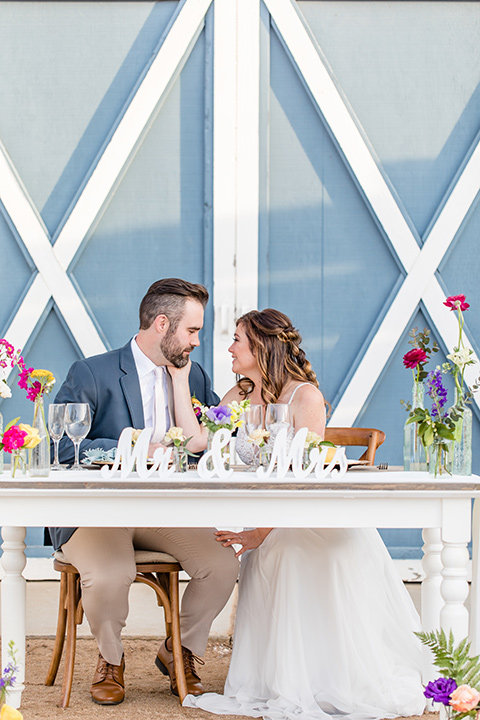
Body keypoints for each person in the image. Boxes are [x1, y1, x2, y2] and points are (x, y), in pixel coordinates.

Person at [184, 308, 425, 720]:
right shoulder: (238, 395)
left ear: (261, 346)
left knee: (286, 550)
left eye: (237, 340)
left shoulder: (305, 397)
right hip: (265, 516)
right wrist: (176, 377)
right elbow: (199, 443)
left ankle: (322, 679)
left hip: (307, 516)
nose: (229, 347)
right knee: (271, 550)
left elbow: (304, 484)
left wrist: (260, 531)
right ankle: (280, 678)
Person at [49, 278, 239, 706]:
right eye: (191, 331)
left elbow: (204, 445)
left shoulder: (195, 374)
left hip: (164, 513)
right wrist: (134, 447)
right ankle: (110, 660)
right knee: (112, 574)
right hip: (98, 512)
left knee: (222, 564)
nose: (196, 341)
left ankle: (179, 652)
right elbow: (62, 447)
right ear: (161, 324)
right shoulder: (92, 372)